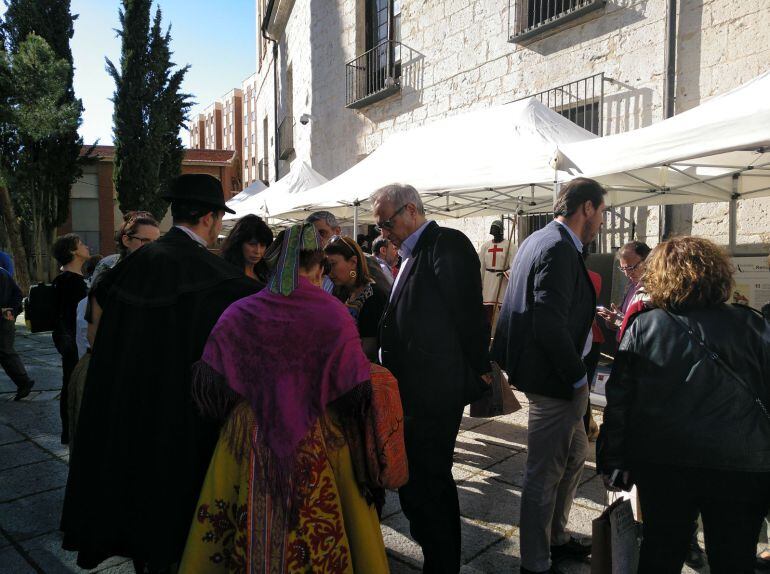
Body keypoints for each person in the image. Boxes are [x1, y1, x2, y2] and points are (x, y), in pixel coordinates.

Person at [61, 174, 260, 572]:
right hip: (185, 423)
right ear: (210, 218)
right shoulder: (221, 280)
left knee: (139, 515)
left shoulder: (132, 266)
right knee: (182, 521)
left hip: (128, 411)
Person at [179, 223, 391, 572]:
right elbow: (355, 387)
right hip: (320, 434)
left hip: (248, 431)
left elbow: (212, 375)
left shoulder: (242, 310)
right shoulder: (332, 312)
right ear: (319, 266)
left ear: (276, 263)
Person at [598, 236, 770, 574]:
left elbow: (620, 403)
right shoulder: (754, 325)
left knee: (661, 550)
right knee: (734, 558)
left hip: (665, 462)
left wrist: (612, 460)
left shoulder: (645, 327)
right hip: (741, 463)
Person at [372, 183, 491, 573]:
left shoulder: (446, 244)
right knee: (416, 481)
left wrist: (481, 367)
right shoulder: (410, 253)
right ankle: (434, 552)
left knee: (431, 481)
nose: (382, 232)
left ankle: (442, 564)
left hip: (434, 390)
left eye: (386, 222)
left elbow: (468, 316)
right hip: (413, 389)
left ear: (410, 209)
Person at [492, 178, 606, 574]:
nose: (602, 222)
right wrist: (577, 379)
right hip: (556, 381)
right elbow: (548, 324)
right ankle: (535, 562)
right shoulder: (557, 246)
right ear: (586, 208)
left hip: (552, 376)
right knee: (543, 474)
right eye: (602, 212)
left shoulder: (542, 239)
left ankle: (556, 538)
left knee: (575, 454)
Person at [325, 235, 388, 361]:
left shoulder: (373, 295)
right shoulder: (341, 292)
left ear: (353, 262)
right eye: (326, 265)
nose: (328, 271)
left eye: (333, 264)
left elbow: (369, 351)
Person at [51, 233, 90, 444]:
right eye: (81, 244)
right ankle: (70, 429)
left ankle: (69, 429)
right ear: (73, 251)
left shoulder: (65, 279)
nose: (86, 246)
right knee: (72, 384)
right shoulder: (71, 282)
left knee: (69, 382)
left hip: (68, 341)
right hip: (73, 342)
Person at [307, 210, 393, 295]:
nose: (317, 240)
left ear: (337, 232)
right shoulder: (310, 267)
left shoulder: (365, 261)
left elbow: (384, 297)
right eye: (311, 236)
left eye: (322, 233)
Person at [596, 241, 650, 338]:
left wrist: (619, 320)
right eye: (623, 269)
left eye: (631, 268)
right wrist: (612, 319)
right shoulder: (631, 285)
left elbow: (646, 329)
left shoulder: (653, 289)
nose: (627, 274)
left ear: (647, 261)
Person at [0, 264, 35, 400]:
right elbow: (18, 293)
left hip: (4, 317)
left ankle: (24, 381)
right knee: (5, 350)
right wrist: (11, 312)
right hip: (7, 315)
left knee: (5, 351)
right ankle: (23, 381)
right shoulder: (3, 272)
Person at [479, 219, 515, 325]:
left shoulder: (509, 246)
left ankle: (503, 332)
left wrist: (506, 273)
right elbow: (481, 265)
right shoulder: (486, 246)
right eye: (492, 229)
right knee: (487, 309)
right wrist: (479, 281)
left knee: (503, 308)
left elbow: (515, 264)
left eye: (495, 229)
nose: (493, 231)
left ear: (500, 231)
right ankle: (488, 332)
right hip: (488, 280)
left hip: (502, 280)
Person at [220, 213, 273, 282]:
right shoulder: (226, 274)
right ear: (238, 243)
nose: (258, 251)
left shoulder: (265, 273)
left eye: (262, 245)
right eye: (252, 244)